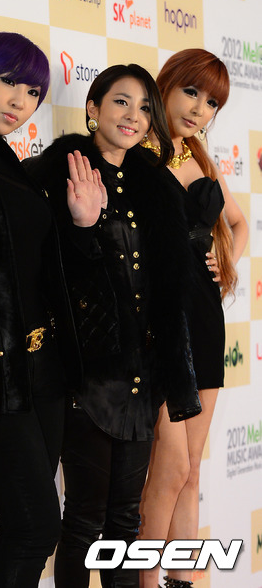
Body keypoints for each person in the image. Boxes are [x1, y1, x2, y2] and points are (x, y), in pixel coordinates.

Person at [25, 64, 201, 588]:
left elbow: (166, 279)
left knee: (125, 521)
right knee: (84, 521)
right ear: (93, 108)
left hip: (143, 373)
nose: (134, 116)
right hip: (89, 372)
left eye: (145, 107)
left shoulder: (157, 185)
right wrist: (85, 225)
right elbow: (46, 275)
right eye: (121, 101)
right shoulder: (56, 173)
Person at [0, 32, 103, 588]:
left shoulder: (10, 160)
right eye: (8, 81)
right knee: (35, 526)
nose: (20, 100)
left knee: (28, 528)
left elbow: (40, 266)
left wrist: (83, 225)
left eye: (33, 91)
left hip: (43, 370)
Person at [138, 48, 248, 588]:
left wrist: (226, 262)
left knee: (193, 466)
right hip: (160, 321)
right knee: (171, 465)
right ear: (165, 85)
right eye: (191, 92)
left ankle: (181, 580)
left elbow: (239, 222)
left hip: (204, 316)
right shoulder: (135, 151)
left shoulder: (200, 155)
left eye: (212, 103)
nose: (200, 108)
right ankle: (146, 580)